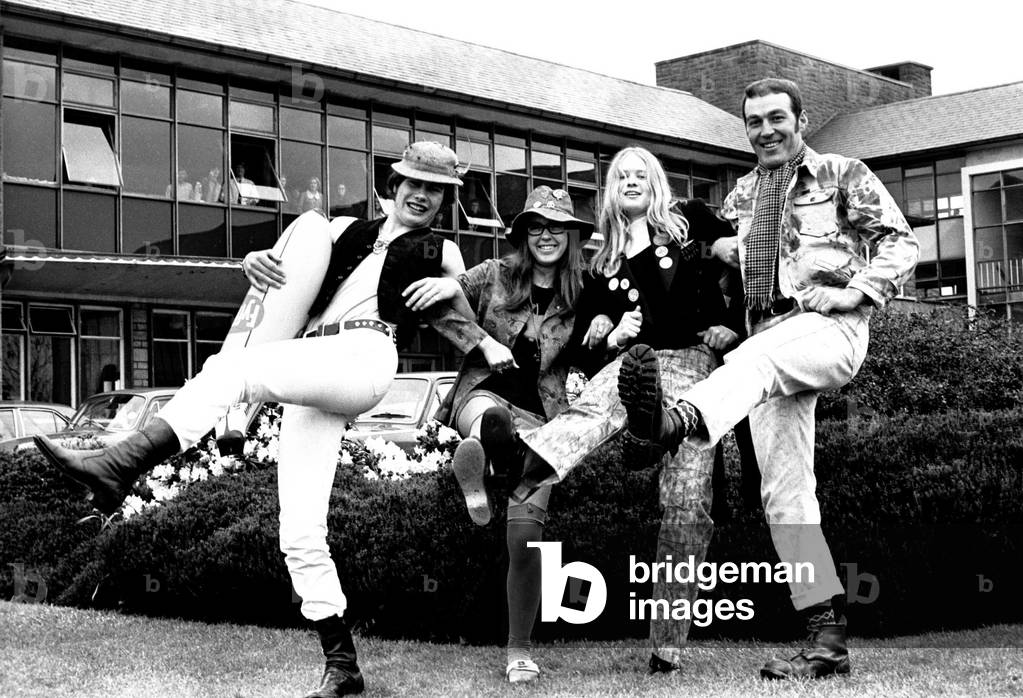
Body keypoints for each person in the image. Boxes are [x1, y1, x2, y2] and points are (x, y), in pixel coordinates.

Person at [36, 141, 491, 698]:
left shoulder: (441, 249)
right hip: (312, 362)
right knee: (299, 531)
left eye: (434, 190)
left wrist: (453, 288)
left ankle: (124, 461)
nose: (421, 196)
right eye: (412, 184)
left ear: (445, 200)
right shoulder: (341, 230)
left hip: (365, 357)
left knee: (232, 370)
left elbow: (464, 319)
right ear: (392, 185)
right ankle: (343, 665)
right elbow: (284, 277)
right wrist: (254, 262)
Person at [604, 79, 918, 680]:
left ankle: (675, 421)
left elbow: (900, 242)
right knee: (786, 497)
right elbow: (707, 260)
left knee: (754, 359)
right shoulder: (742, 194)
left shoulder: (841, 173)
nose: (766, 130)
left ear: (801, 120)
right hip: (765, 341)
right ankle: (825, 641)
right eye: (754, 122)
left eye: (777, 118)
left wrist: (857, 290)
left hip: (829, 331)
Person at [480, 146, 742, 674]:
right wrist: (607, 334)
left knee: (686, 501)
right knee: (589, 412)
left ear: (656, 182)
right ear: (610, 191)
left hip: (694, 366)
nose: (629, 179)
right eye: (620, 174)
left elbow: (743, 257)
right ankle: (518, 466)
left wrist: (734, 326)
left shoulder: (690, 222)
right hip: (636, 368)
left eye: (639, 172)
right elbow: (583, 344)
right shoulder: (603, 265)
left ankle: (667, 646)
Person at [404, 185, 608, 684]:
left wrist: (609, 326)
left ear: (572, 236)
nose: (545, 236)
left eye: (556, 228)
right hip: (485, 394)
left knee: (525, 540)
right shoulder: (493, 274)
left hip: (545, 426)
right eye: (535, 227)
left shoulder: (585, 291)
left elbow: (608, 337)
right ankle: (488, 448)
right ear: (522, 235)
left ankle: (519, 650)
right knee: (484, 415)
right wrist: (482, 339)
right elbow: (437, 302)